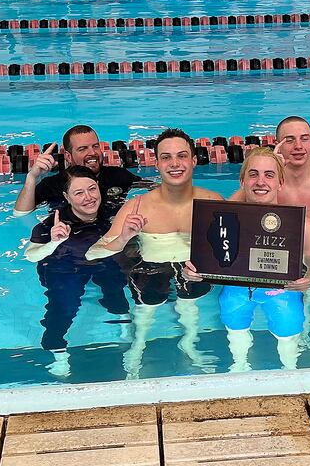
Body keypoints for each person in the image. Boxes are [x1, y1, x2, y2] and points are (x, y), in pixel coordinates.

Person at [87, 128, 223, 379]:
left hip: (194, 273)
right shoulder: (137, 206)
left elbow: (233, 249)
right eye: (166, 157)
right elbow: (94, 253)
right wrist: (124, 237)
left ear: (194, 160)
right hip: (149, 269)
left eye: (182, 156)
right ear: (157, 164)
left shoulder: (213, 202)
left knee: (190, 306)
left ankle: (190, 344)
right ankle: (137, 346)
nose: (174, 164)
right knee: (145, 312)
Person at [183, 147, 310, 372]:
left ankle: (290, 370)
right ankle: (239, 366)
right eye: (253, 174)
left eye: (269, 175)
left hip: (282, 292)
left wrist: (307, 281)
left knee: (288, 336)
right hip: (238, 289)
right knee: (235, 328)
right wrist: (192, 273)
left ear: (280, 183)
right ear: (242, 182)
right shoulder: (223, 223)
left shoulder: (301, 227)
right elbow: (205, 266)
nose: (261, 182)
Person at [24, 166, 131, 377]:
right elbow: (31, 255)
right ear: (67, 197)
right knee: (64, 307)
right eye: (79, 193)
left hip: (101, 260)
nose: (88, 197)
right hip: (64, 267)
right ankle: (57, 349)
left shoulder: (113, 214)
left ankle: (124, 323)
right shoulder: (52, 224)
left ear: (99, 187)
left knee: (116, 287)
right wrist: (54, 242)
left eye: (92, 189)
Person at [14, 125, 148, 217]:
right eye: (82, 149)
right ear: (68, 156)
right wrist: (32, 177)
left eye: (95, 146)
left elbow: (153, 189)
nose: (92, 153)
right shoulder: (52, 185)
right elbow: (21, 214)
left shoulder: (119, 175)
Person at [231, 116, 310, 209]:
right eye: (289, 140)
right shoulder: (267, 183)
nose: (298, 146)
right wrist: (273, 165)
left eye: (304, 139)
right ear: (277, 145)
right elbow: (227, 208)